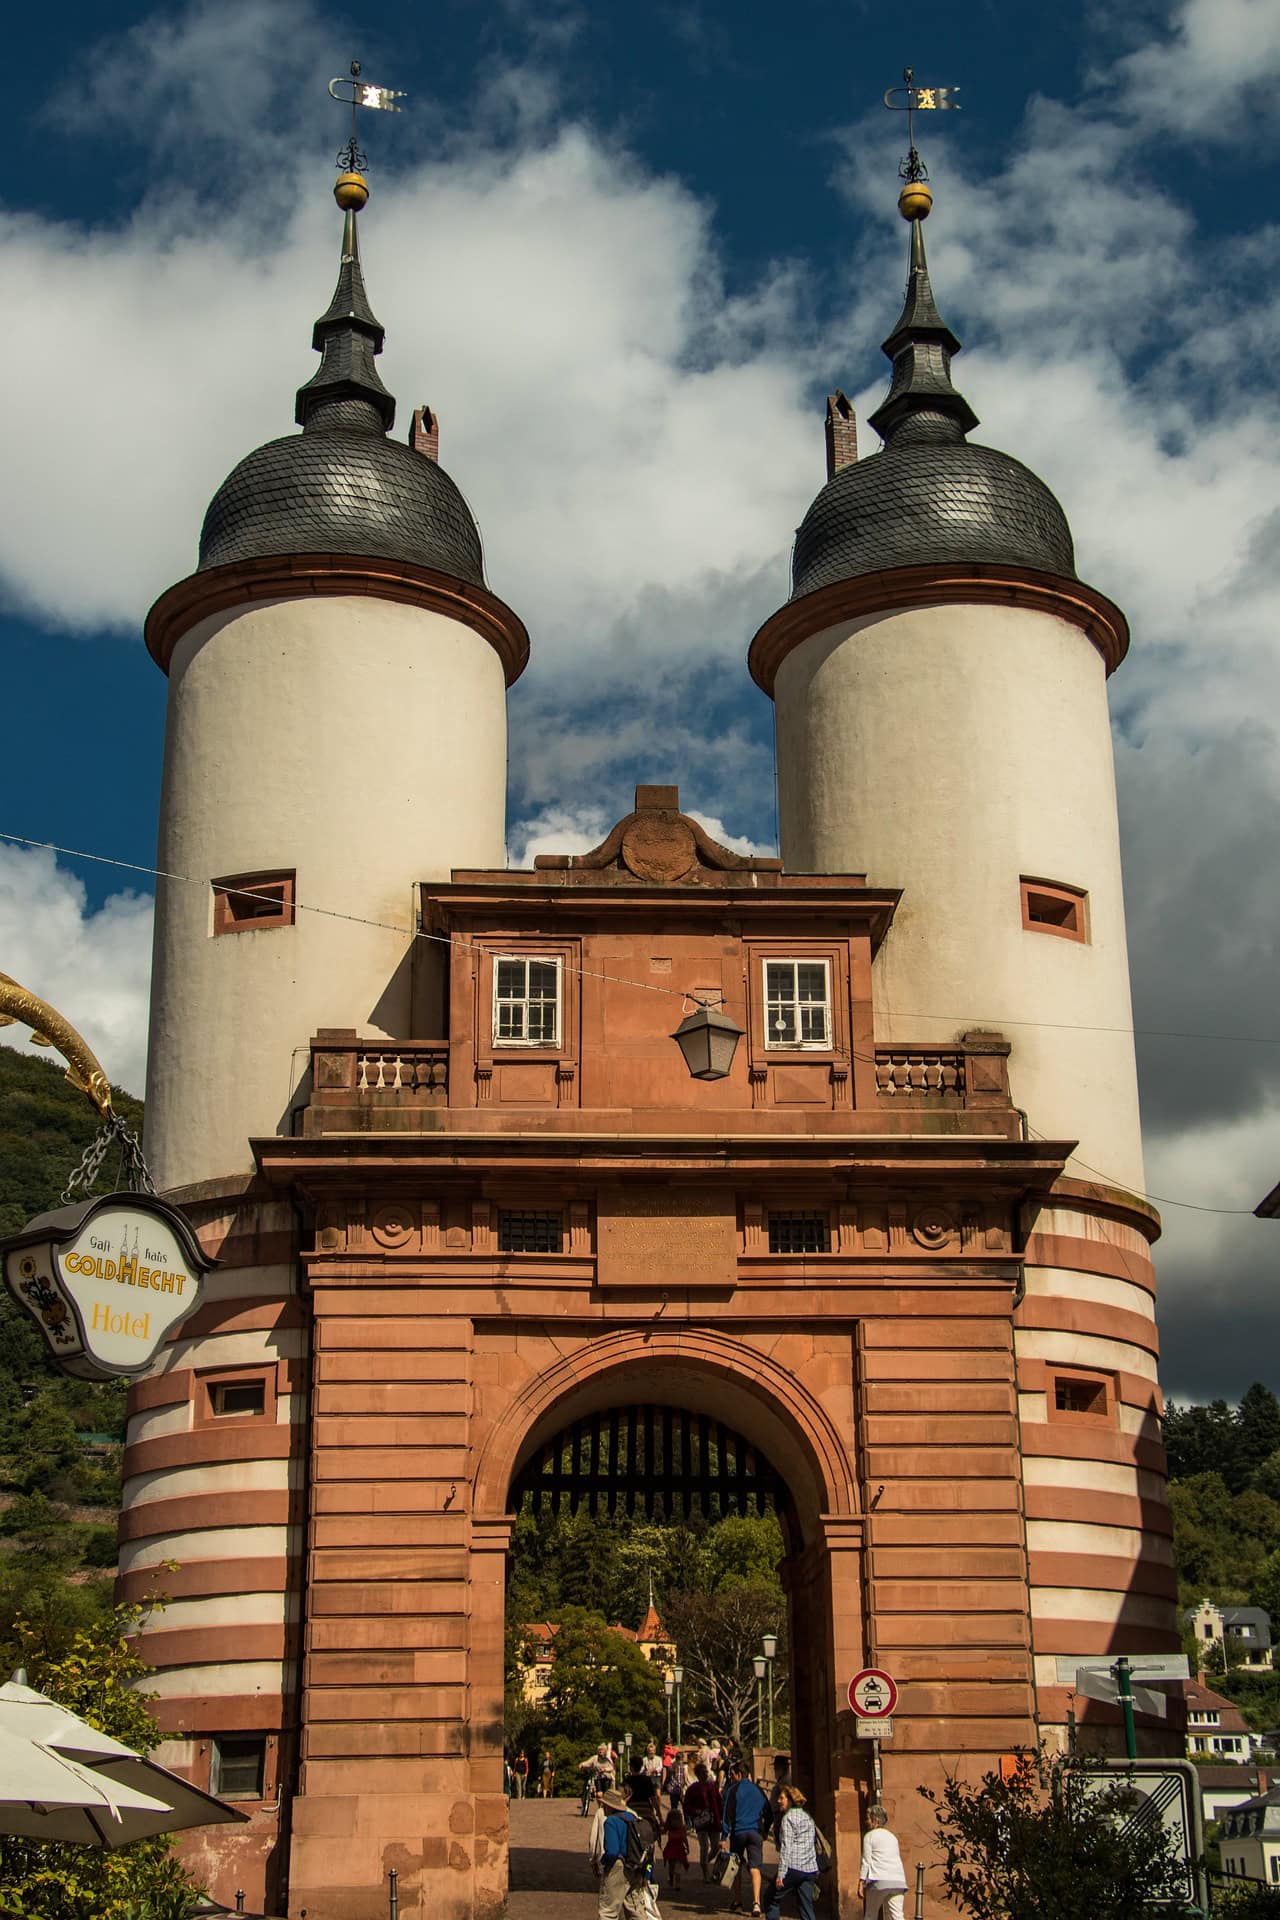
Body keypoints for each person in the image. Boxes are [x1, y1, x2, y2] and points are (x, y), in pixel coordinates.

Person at [720, 1756, 770, 1917]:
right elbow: (768, 1812)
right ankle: (756, 1903)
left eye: (732, 1775)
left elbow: (727, 1815)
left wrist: (723, 1837)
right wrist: (765, 1830)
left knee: (736, 1866)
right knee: (755, 1868)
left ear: (738, 1774)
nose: (731, 1778)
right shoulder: (758, 1790)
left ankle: (738, 1900)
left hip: (738, 1833)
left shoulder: (732, 1791)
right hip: (755, 1832)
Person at [765, 1785, 821, 1920]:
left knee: (770, 1897)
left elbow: (786, 1847)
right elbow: (812, 1843)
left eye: (782, 1798)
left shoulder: (788, 1818)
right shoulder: (808, 1817)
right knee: (806, 1906)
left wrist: (781, 1874)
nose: (778, 1801)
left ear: (791, 1800)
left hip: (793, 1868)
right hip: (809, 1869)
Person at [598, 1785, 650, 1920]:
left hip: (619, 1866)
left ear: (608, 1806)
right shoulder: (632, 1818)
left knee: (608, 1911)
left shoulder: (611, 1821)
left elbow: (612, 1851)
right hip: (637, 1866)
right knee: (635, 1910)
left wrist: (603, 1863)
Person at [857, 1804, 907, 1920]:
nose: (866, 1821)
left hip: (878, 1879)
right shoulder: (892, 1837)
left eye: (868, 1819)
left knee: (870, 1915)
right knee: (897, 1916)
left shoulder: (869, 1836)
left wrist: (861, 1882)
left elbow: (866, 1861)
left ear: (875, 1820)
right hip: (898, 1880)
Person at [683, 1761, 722, 1882]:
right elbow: (686, 1806)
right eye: (703, 1772)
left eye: (706, 1772)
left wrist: (721, 1818)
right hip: (701, 1822)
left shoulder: (712, 1787)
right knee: (704, 1846)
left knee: (716, 1847)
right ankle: (706, 1873)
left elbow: (719, 1803)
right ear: (698, 1774)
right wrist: (697, 1812)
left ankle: (705, 1863)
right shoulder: (693, 1789)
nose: (706, 1774)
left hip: (714, 1820)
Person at [588, 1774, 615, 1880]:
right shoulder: (629, 1814)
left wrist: (592, 1860)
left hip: (605, 1860)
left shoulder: (600, 1813)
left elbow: (593, 1840)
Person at [662, 1795, 690, 1890]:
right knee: (678, 1868)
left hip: (671, 1848)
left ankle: (671, 1880)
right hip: (679, 1849)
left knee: (671, 1866)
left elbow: (663, 1831)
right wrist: (687, 1847)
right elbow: (685, 1838)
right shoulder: (682, 1828)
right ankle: (677, 1884)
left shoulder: (670, 1827)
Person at [582, 1742, 614, 1815]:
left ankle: (606, 1808)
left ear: (605, 1751)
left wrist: (605, 1769)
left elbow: (611, 1767)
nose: (600, 1751)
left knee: (606, 1795)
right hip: (598, 1777)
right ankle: (600, 1807)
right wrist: (582, 1764)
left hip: (606, 1778)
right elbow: (588, 1762)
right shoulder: (595, 1758)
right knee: (599, 1794)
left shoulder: (608, 1759)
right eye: (599, 1750)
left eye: (602, 1750)